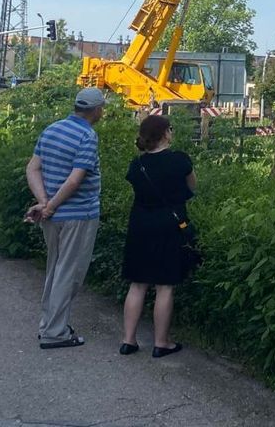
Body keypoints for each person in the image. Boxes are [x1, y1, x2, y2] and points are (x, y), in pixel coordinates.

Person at [24, 87, 105, 349]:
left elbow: (33, 168)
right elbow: (74, 180)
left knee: (55, 270)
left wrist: (43, 202)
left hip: (53, 217)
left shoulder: (52, 129)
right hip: (78, 215)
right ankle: (56, 332)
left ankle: (48, 325)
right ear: (96, 110)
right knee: (70, 273)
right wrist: (50, 206)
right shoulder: (87, 136)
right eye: (102, 109)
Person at [120, 114, 197, 358]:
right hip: (169, 225)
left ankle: (128, 340)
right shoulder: (180, 160)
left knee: (137, 284)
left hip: (140, 224)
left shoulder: (137, 164)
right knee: (165, 286)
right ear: (165, 133)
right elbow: (192, 188)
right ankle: (161, 342)